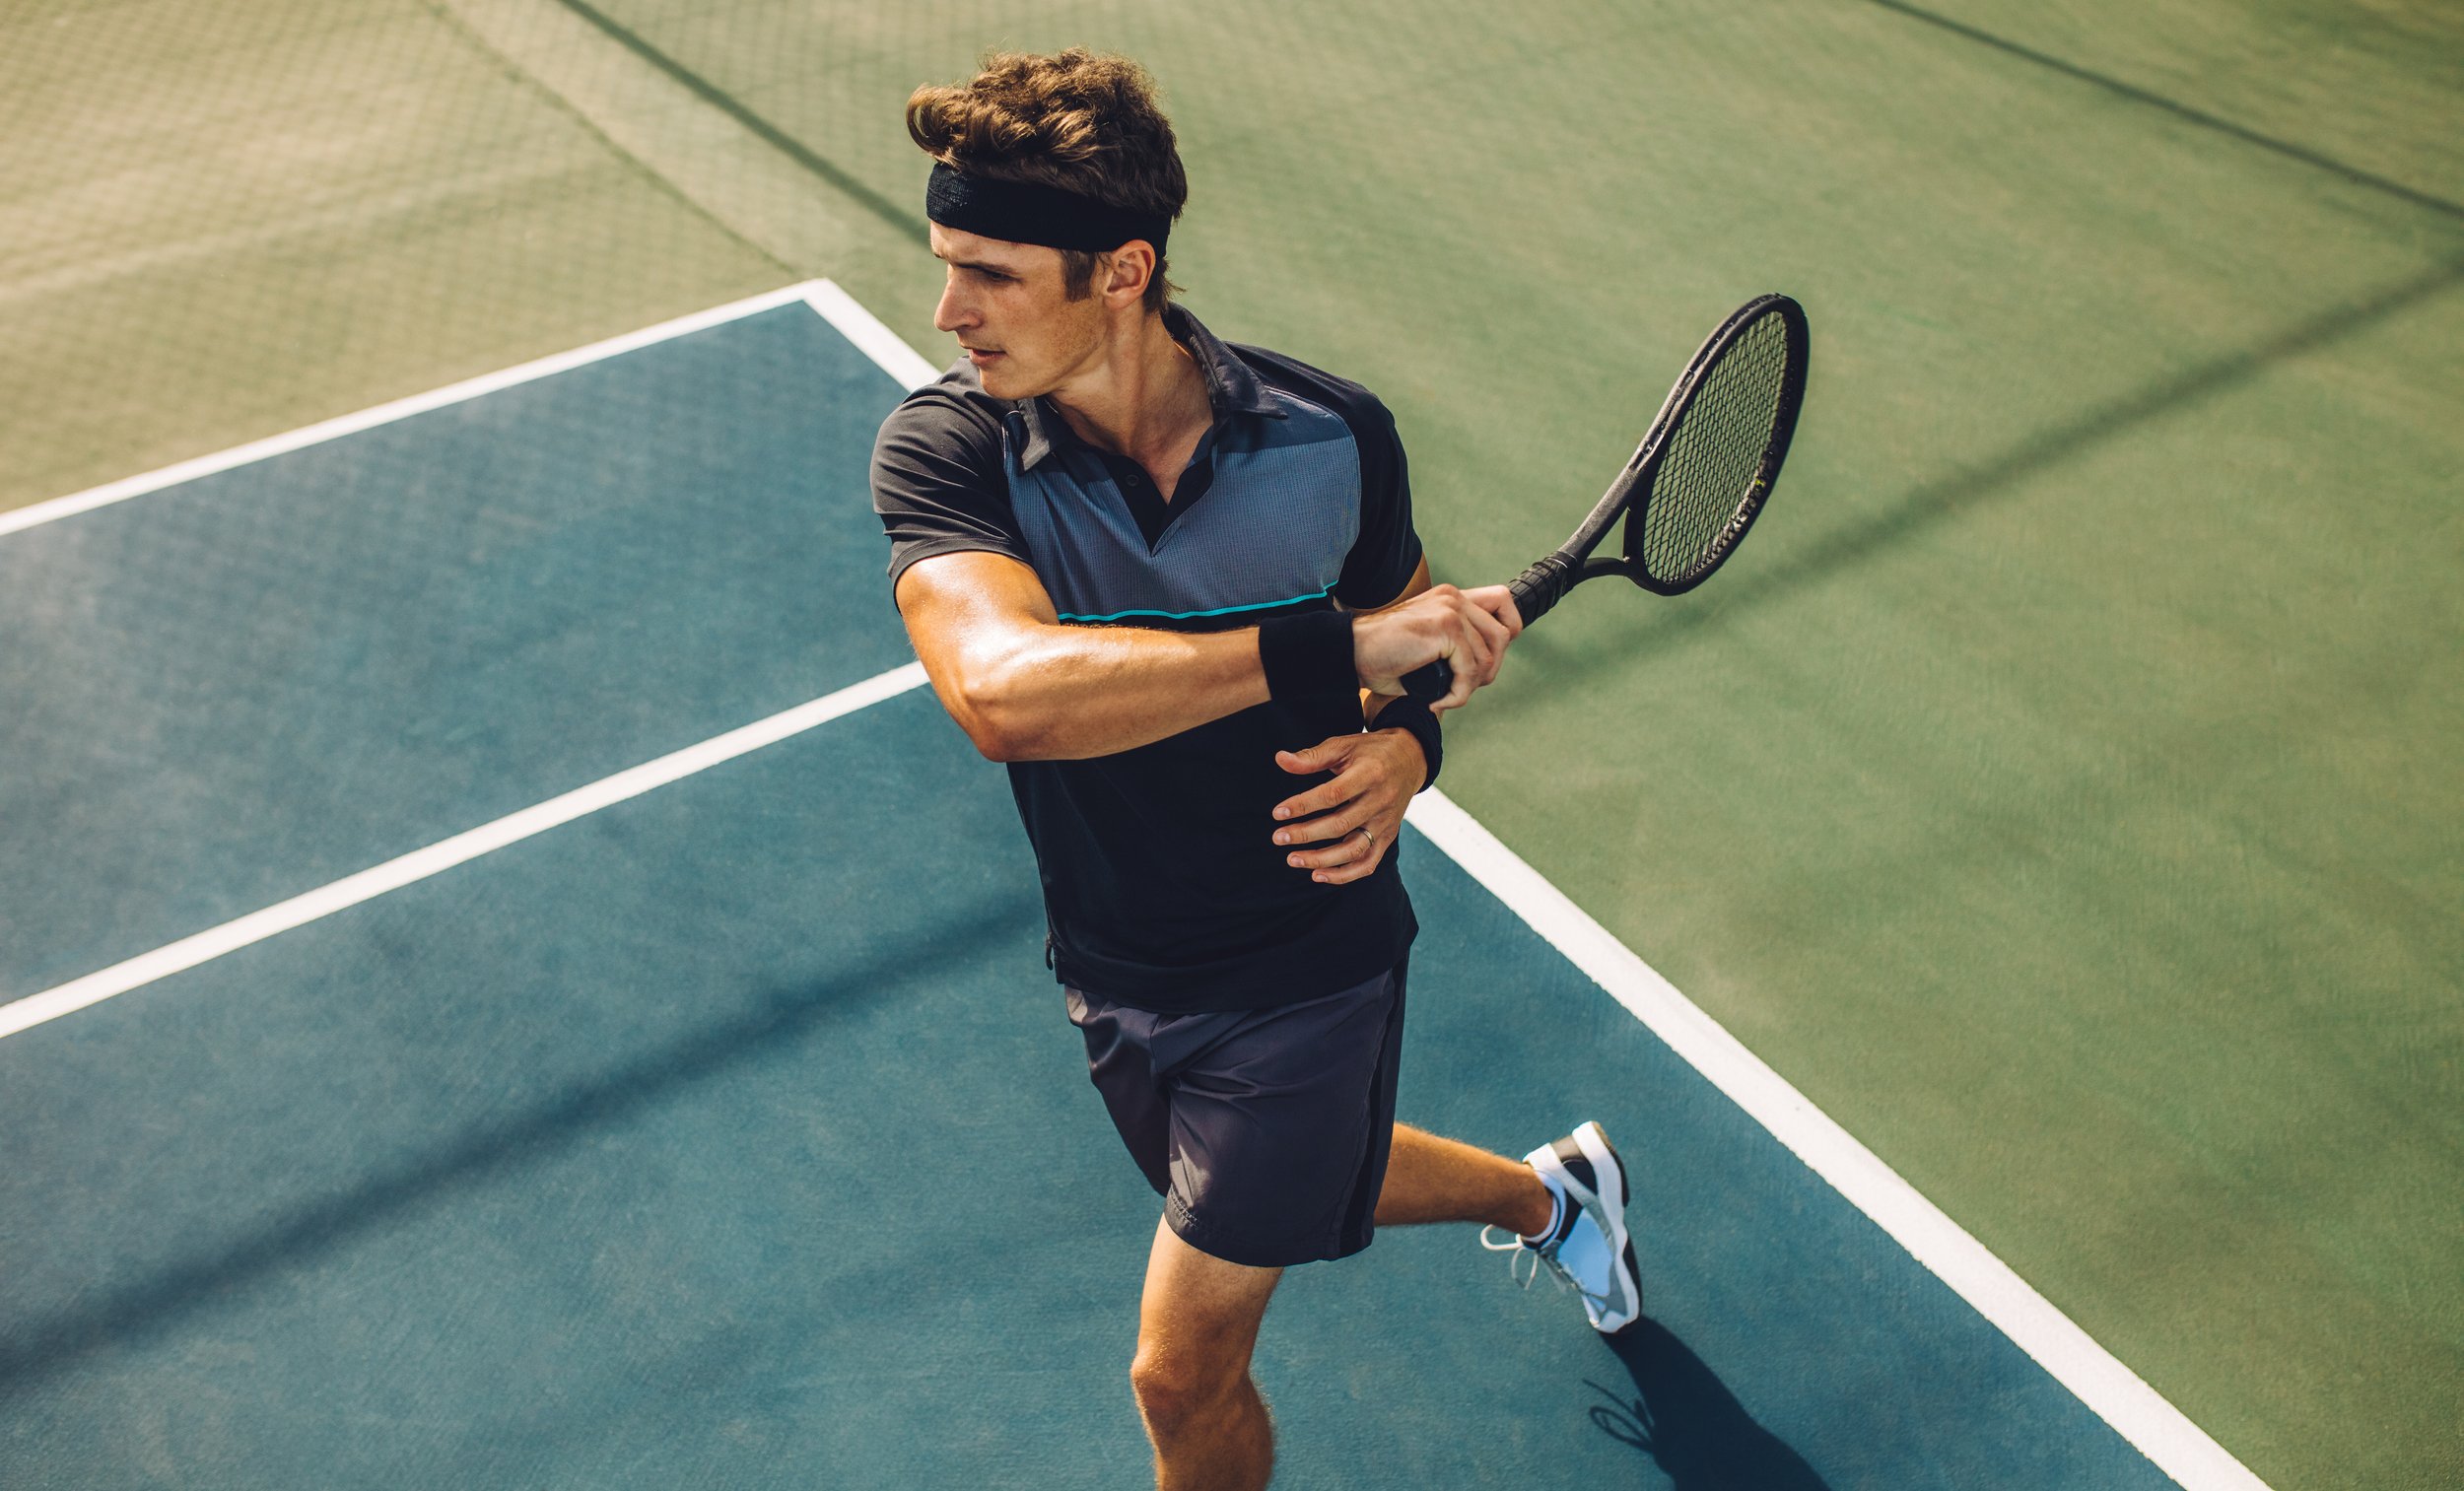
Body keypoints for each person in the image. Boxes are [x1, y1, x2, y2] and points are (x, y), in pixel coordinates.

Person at [869, 49, 1642, 1491]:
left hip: (1307, 960)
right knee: (1305, 1181)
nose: (948, 311)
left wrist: (1410, 746)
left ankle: (1551, 1195)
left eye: (989, 273)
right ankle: (1556, 1192)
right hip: (1116, 955)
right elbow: (1000, 691)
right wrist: (1323, 646)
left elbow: (1406, 659)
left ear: (1123, 270)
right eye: (943, 266)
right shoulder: (951, 448)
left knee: (1179, 1373)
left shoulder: (1331, 437)